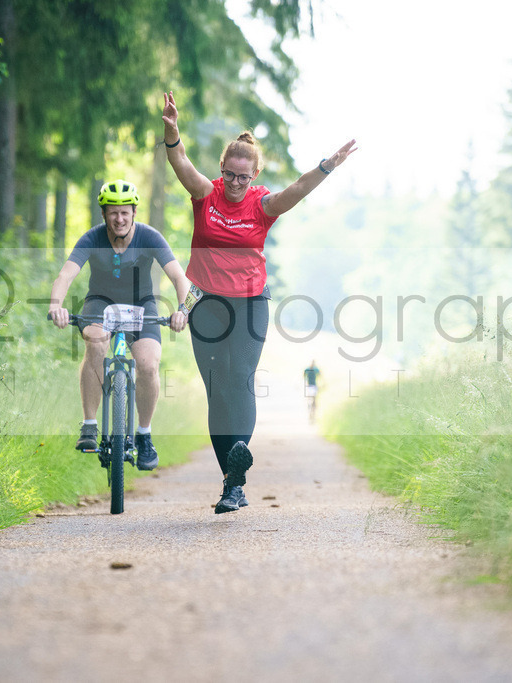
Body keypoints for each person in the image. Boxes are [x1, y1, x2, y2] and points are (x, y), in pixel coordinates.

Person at [162, 90, 357, 513]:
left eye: (242, 177)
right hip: (206, 302)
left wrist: (327, 166)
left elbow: (299, 188)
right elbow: (181, 166)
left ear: (253, 176)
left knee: (241, 379)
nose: (235, 184)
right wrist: (172, 132)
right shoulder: (205, 195)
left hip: (251, 302)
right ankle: (232, 483)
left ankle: (236, 474)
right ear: (222, 170)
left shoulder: (262, 205)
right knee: (217, 391)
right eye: (230, 175)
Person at [48, 179, 190, 471]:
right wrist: (55, 305)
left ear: (134, 212)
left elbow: (178, 276)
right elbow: (65, 276)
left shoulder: (150, 237)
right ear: (104, 215)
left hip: (142, 305)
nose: (119, 218)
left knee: (148, 365)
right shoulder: (92, 238)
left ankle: (144, 435)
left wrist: (182, 310)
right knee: (95, 342)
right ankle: (89, 425)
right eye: (113, 212)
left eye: (125, 212)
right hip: (100, 303)